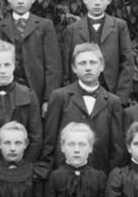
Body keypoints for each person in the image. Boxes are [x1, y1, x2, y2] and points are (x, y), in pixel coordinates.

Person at [43, 43, 125, 173]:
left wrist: (110, 178)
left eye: (93, 62)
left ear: (102, 66)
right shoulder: (60, 97)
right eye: (82, 63)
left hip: (100, 175)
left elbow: (117, 148)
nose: (88, 68)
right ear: (74, 68)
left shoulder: (113, 102)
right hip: (64, 175)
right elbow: (49, 143)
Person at [60, 0, 136, 101]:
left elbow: (127, 64)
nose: (97, 2)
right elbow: (66, 67)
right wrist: (70, 96)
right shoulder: (72, 29)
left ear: (109, 0)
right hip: (78, 96)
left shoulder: (119, 27)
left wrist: (119, 99)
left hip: (110, 94)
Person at [0, 0, 62, 112]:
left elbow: (53, 67)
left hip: (37, 91)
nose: (20, 1)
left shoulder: (45, 26)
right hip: (7, 91)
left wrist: (48, 99)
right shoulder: (0, 27)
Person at [0, 40, 44, 172]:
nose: (3, 71)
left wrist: (25, 165)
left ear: (14, 66)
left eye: (7, 65)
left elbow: (36, 138)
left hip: (22, 165)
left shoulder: (28, 95)